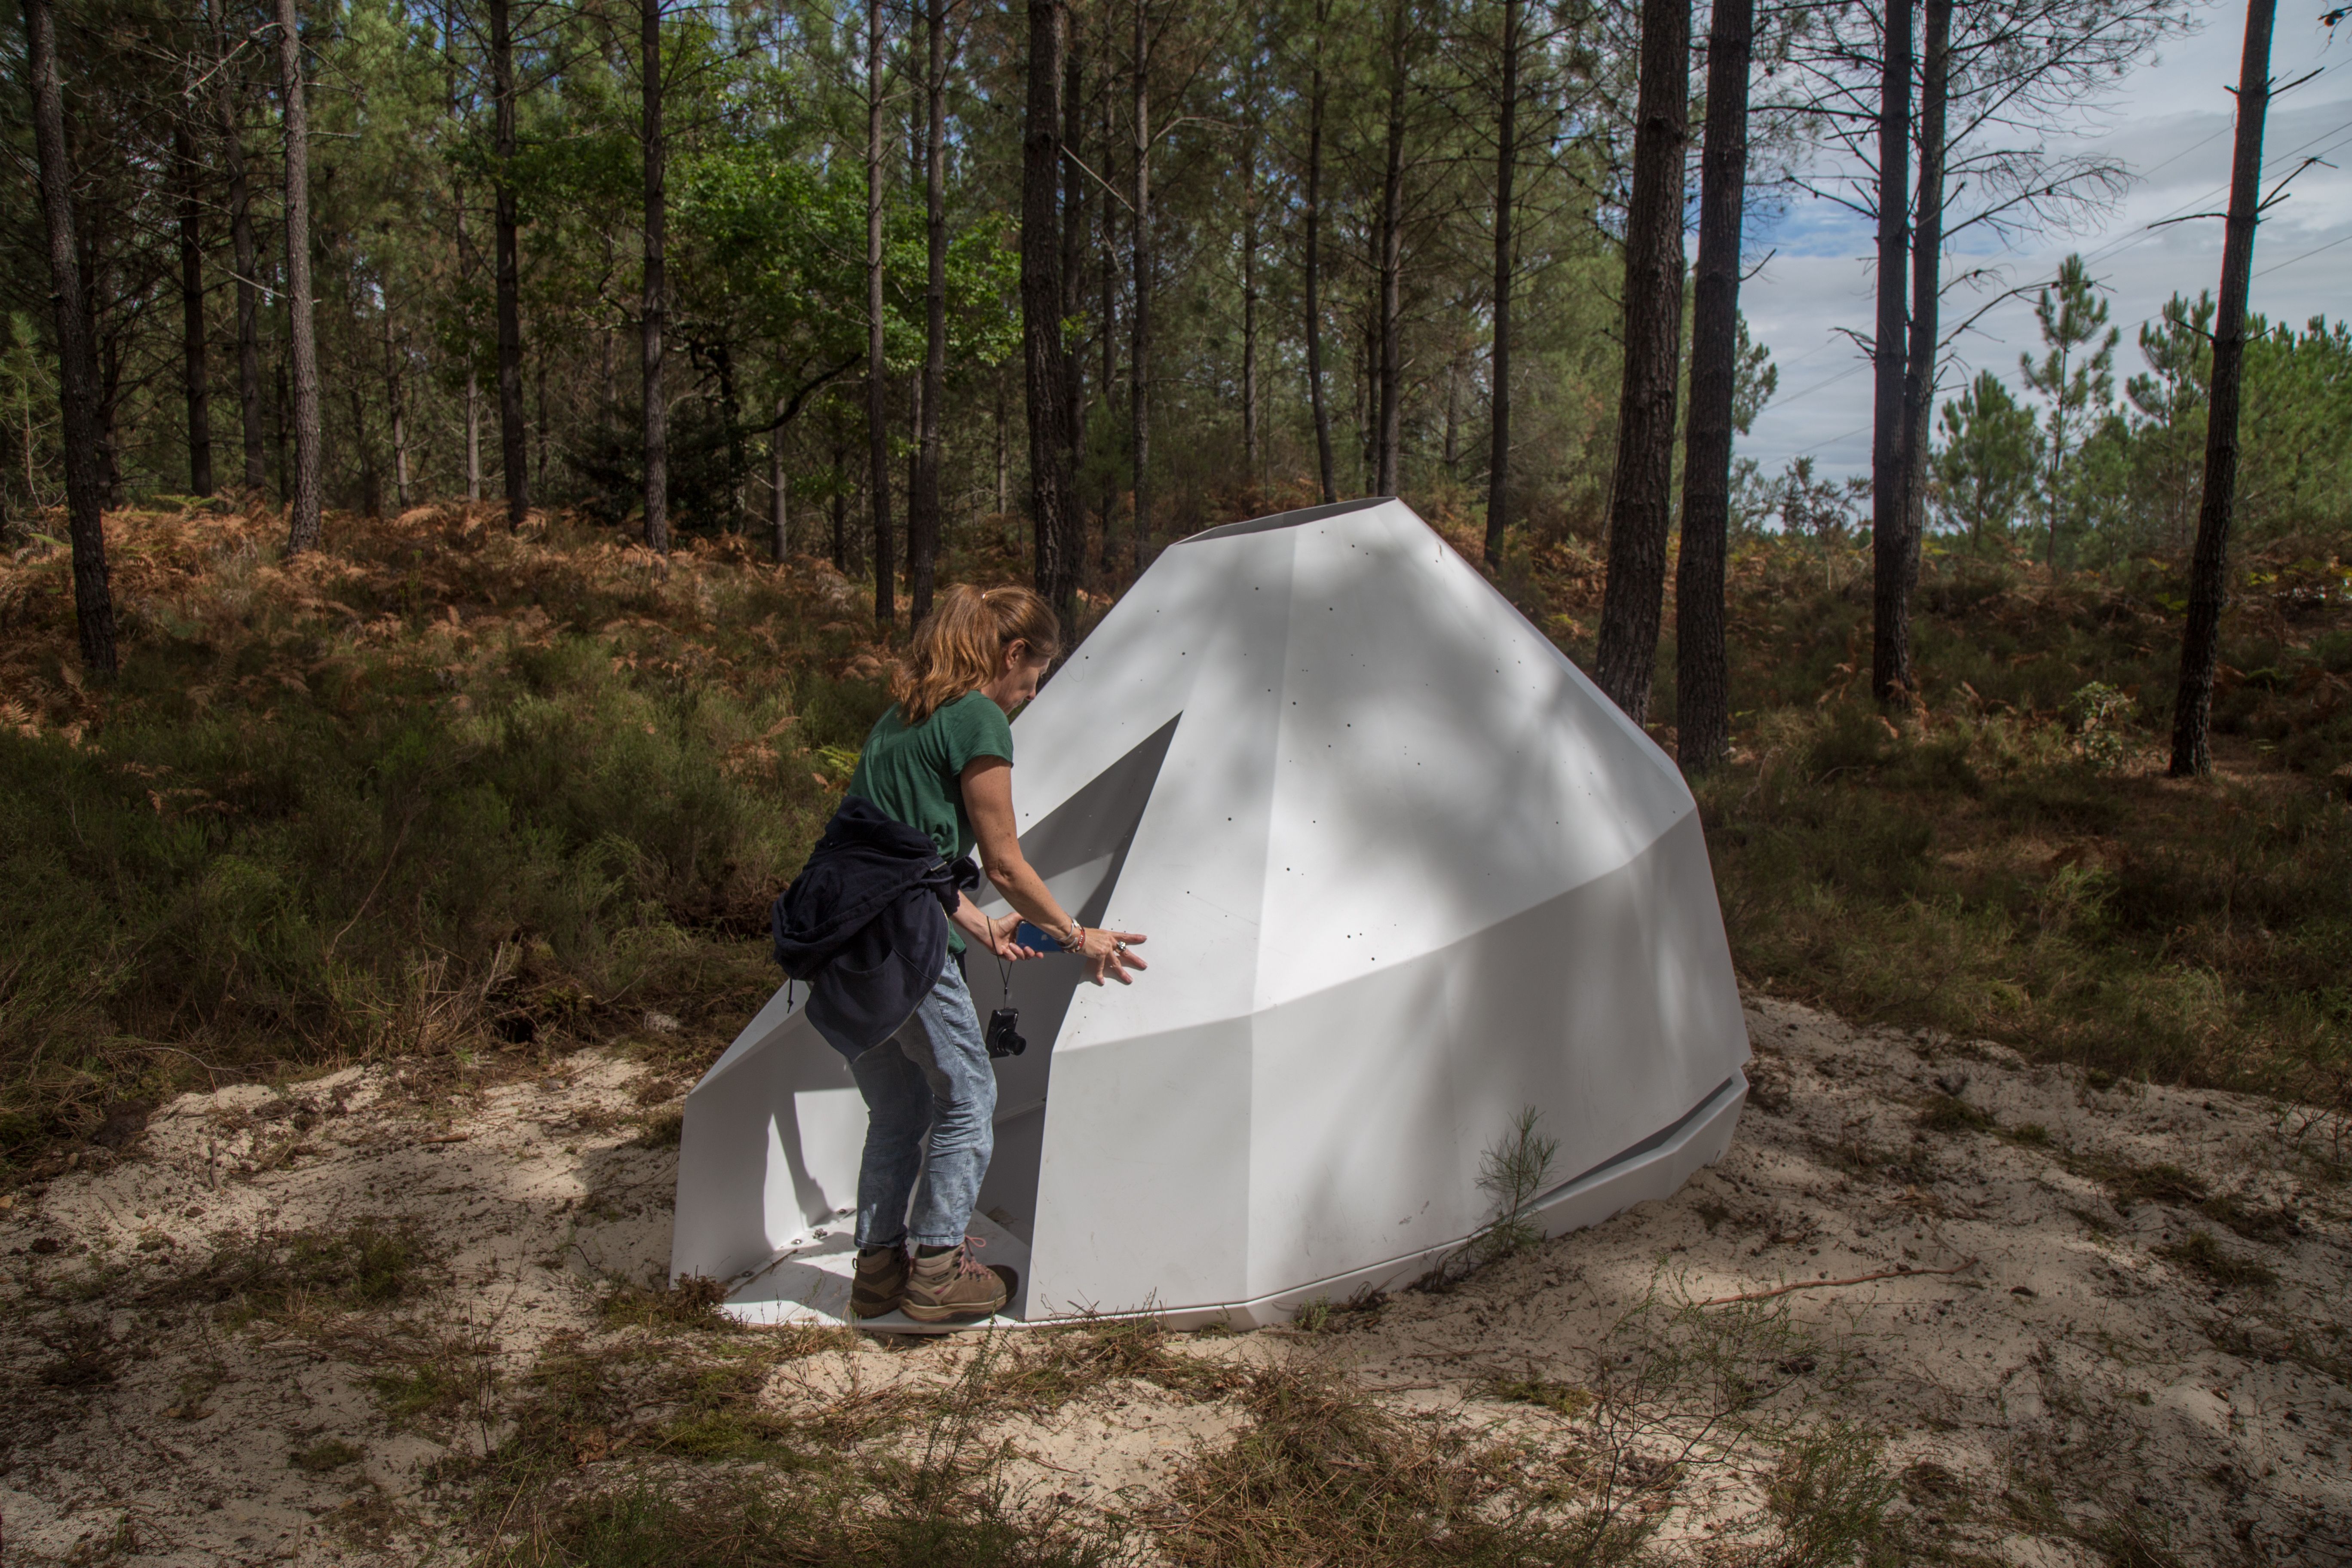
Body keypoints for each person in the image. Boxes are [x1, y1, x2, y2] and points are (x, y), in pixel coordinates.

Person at [841, 584, 1148, 1324]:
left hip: (847, 944)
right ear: (1013, 655)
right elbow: (1005, 862)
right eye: (1035, 674)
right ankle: (940, 1272)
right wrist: (1081, 938)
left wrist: (982, 927)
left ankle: (878, 1272)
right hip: (905, 947)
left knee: (899, 1103)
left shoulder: (901, 718)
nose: (1030, 693)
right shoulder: (977, 717)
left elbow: (898, 855)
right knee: (969, 1097)